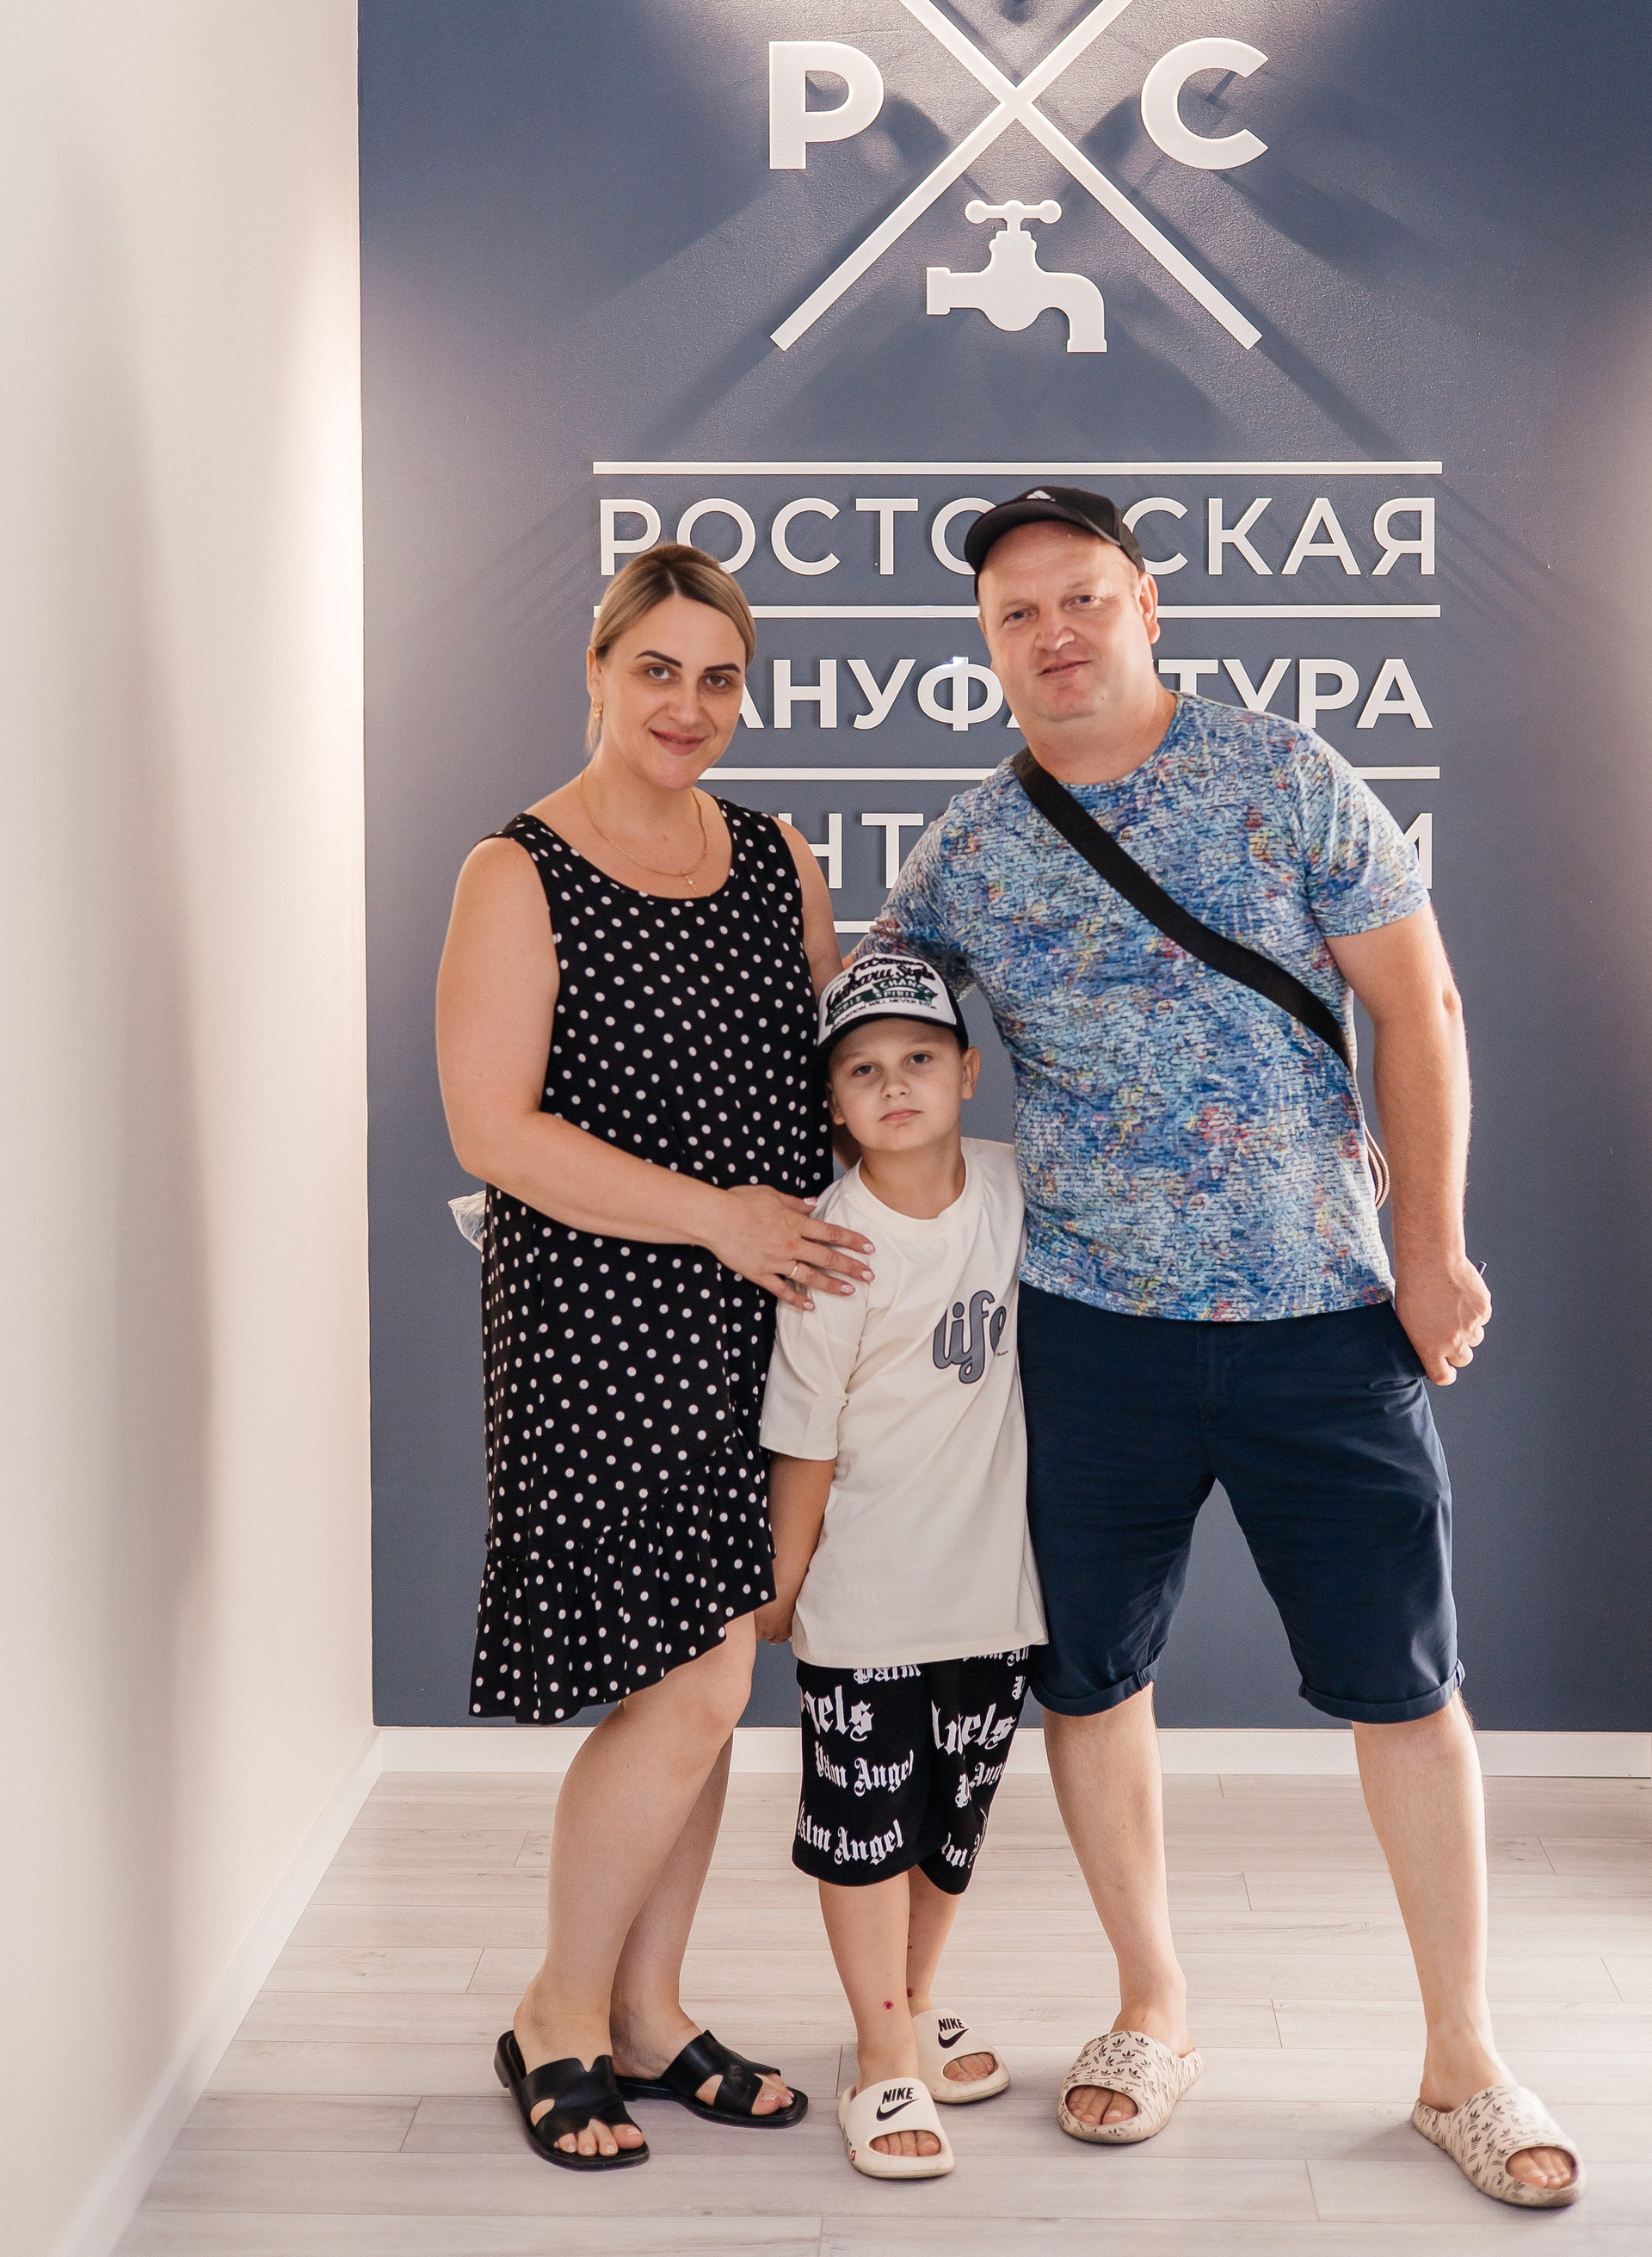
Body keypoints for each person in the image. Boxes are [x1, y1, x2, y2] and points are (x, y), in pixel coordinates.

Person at [859, 487, 1582, 2211]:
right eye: (1017, 613)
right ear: (987, 647)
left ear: (1147, 603)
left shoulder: (1284, 775)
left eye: (1082, 597)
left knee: (1406, 1681)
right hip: (1090, 1329)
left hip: (1323, 1314)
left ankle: (1462, 2056)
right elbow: (874, 1035)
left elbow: (1418, 1006)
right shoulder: (971, 849)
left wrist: (1429, 1250)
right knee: (1092, 1678)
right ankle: (1152, 2005)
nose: (1054, 632)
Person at [435, 545, 873, 2172]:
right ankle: (555, 2011)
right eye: (658, 670)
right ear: (600, 670)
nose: (689, 705)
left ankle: (648, 2009)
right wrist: (720, 1219)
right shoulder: (517, 869)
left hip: (760, 1313)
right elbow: (494, 1130)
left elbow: (827, 1072)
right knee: (692, 1683)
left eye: (718, 677)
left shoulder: (774, 855)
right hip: (599, 1317)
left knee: (713, 1665)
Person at [755, 953, 1046, 2180]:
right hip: (868, 1602)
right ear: (833, 1100)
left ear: (968, 1072)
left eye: (919, 1058)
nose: (895, 1085)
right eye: (863, 1070)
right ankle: (879, 2053)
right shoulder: (833, 1247)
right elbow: (805, 1441)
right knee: (865, 1833)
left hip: (995, 1597)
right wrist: (782, 1589)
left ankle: (915, 2003)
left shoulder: (1016, 1186)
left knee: (949, 1829)